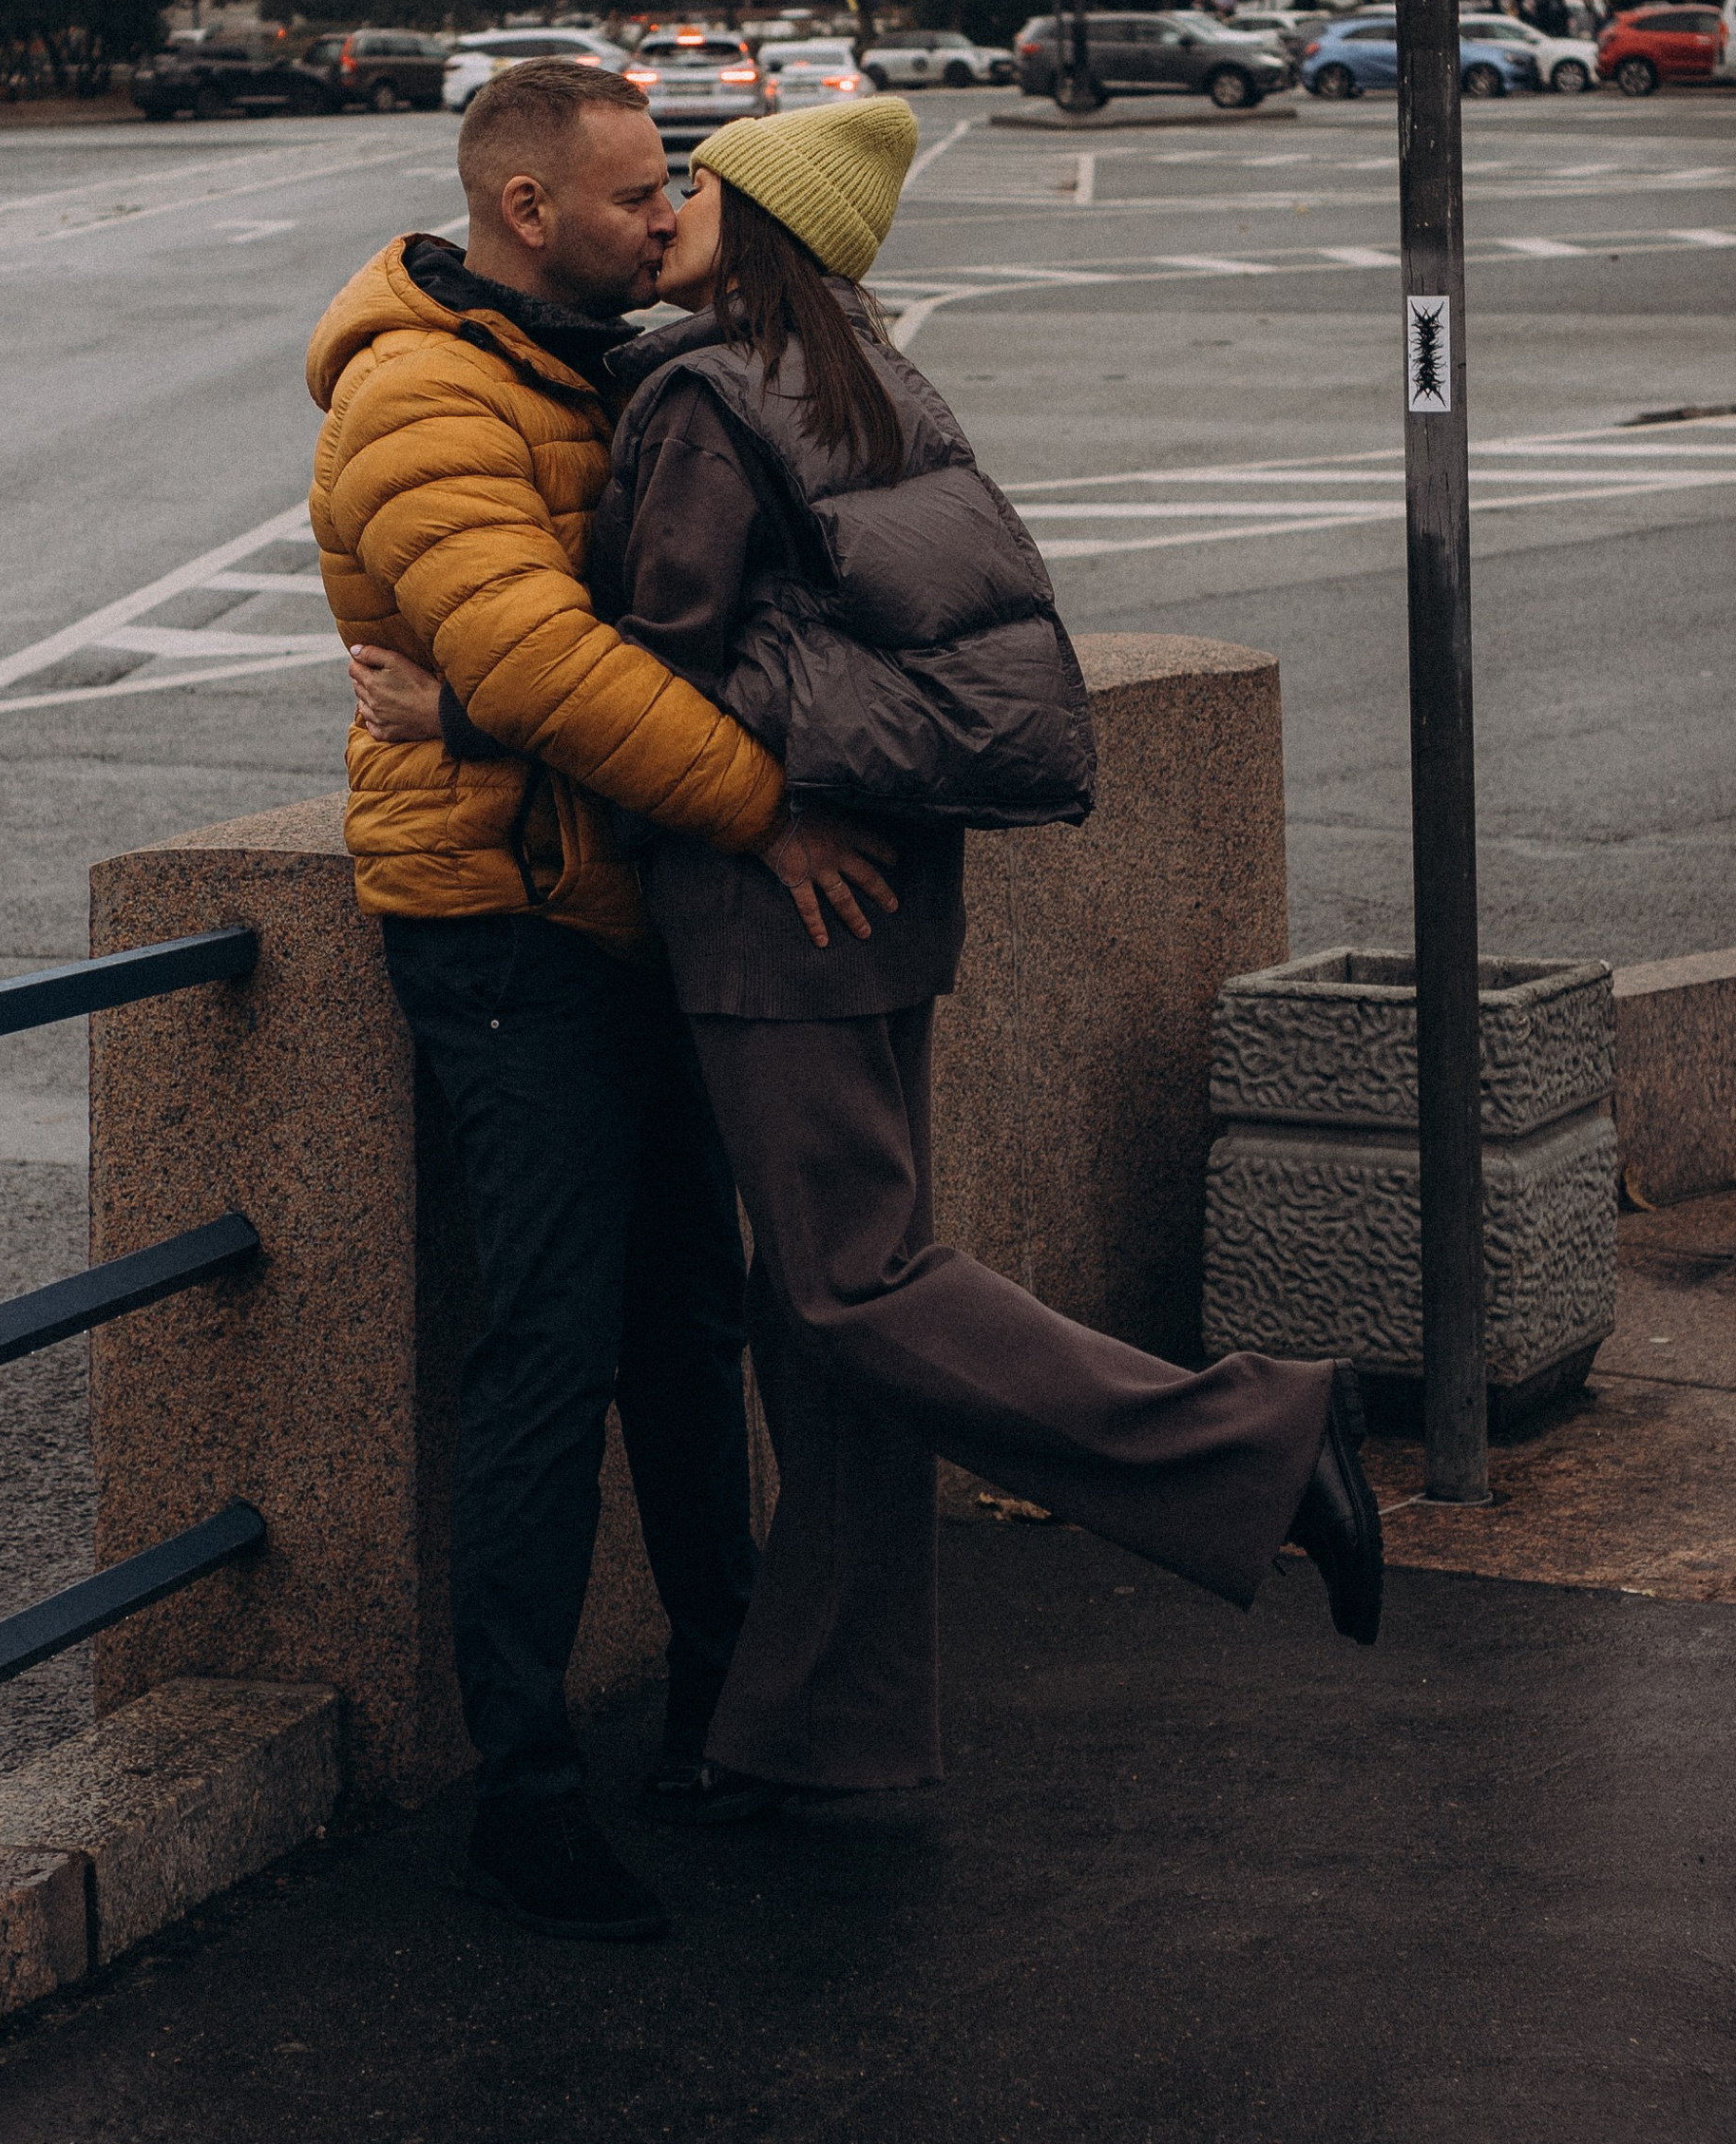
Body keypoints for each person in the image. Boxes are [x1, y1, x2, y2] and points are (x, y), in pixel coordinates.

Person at [364, 94, 1383, 1821]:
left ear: (754, 225)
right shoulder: (867, 368)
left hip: (781, 910)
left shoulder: (695, 390)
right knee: (817, 1318)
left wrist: (463, 702)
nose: (668, 204)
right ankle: (821, 1720)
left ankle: (1261, 1447)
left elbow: (661, 662)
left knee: (850, 1287)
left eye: (692, 186)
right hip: (900, 883)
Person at [307, 60, 894, 1945]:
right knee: (548, 1356)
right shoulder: (416, 390)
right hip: (500, 931)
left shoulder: (592, 357)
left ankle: (725, 1715)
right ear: (527, 209)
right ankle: (522, 1789)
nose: (670, 219)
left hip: (617, 903)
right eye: (642, 195)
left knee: (683, 1322)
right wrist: (761, 813)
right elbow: (539, 663)